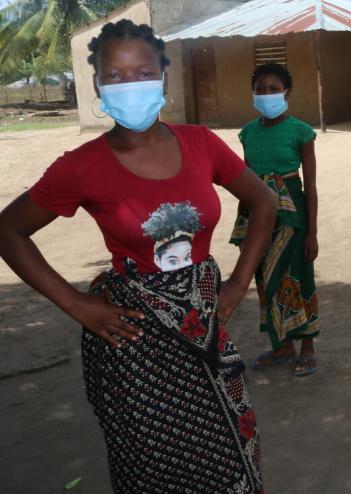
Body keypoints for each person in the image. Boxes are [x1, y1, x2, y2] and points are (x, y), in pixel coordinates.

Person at [0, 20, 277, 493]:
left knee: (228, 451)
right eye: (116, 75)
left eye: (143, 72)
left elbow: (265, 201)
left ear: (164, 80)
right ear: (99, 86)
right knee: (153, 467)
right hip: (134, 344)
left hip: (206, 326)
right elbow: (8, 229)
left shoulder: (201, 143)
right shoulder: (81, 166)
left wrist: (237, 284)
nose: (131, 85)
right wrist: (77, 304)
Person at [230, 63, 320, 377]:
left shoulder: (301, 131)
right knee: (266, 279)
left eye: (273, 88)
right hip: (257, 214)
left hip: (292, 213)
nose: (266, 94)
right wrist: (244, 225)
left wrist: (312, 233)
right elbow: (245, 179)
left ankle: (307, 345)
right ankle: (281, 345)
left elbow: (310, 187)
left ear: (287, 92)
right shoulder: (248, 133)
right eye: (260, 89)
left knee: (298, 276)